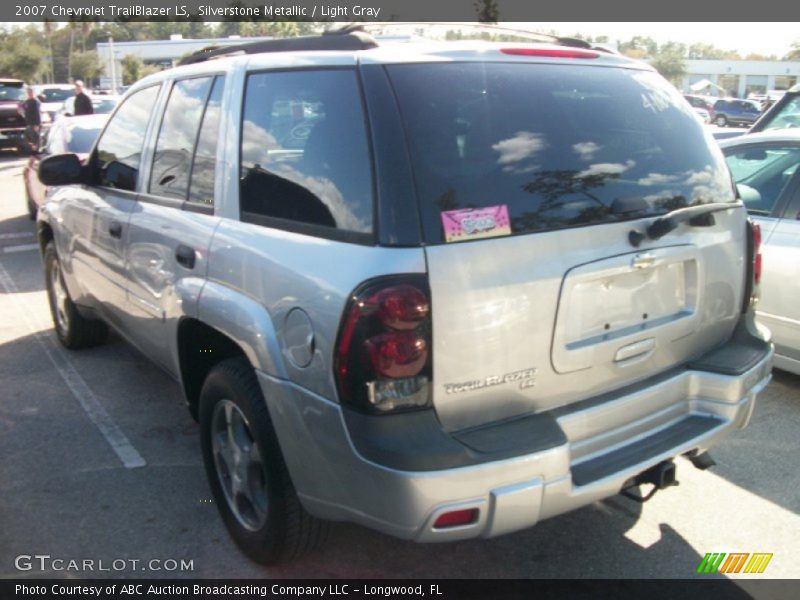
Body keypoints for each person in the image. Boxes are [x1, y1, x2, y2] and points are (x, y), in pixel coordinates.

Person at [20, 86, 41, 151]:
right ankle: (34, 155)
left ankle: (35, 155)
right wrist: (21, 111)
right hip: (28, 123)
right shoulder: (26, 101)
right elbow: (23, 111)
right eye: (28, 92)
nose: (29, 93)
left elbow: (37, 113)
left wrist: (37, 124)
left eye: (31, 92)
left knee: (35, 140)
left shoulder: (35, 101)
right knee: (28, 140)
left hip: (34, 123)